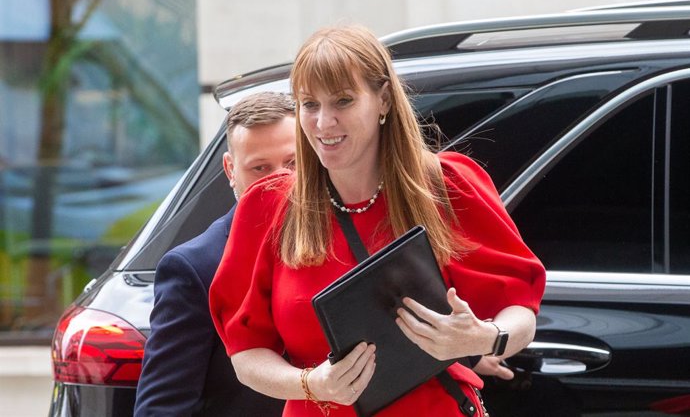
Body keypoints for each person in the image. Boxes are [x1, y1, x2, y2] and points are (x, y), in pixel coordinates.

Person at [209, 25, 546, 417]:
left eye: (343, 101)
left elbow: (521, 312)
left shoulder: (446, 185)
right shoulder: (268, 207)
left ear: (383, 99)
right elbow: (246, 354)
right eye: (309, 104)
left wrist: (485, 337)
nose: (323, 123)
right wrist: (310, 384)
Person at [134, 91, 296, 417]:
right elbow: (162, 409)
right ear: (230, 170)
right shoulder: (195, 268)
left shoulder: (344, 239)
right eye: (260, 168)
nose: (280, 181)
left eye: (293, 164)